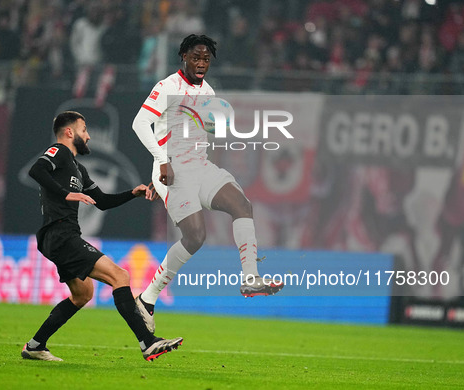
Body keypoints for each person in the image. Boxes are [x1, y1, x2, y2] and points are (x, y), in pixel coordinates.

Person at [131, 34, 284, 332]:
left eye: (206, 59)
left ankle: (250, 278)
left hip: (198, 167)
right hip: (171, 169)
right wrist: (161, 161)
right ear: (184, 57)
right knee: (196, 236)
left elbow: (203, 135)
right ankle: (147, 299)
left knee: (242, 205)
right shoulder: (167, 87)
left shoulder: (209, 92)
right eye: (196, 57)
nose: (201, 63)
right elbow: (139, 123)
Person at [21, 111, 182, 361]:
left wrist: (132, 193)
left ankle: (35, 345)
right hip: (60, 233)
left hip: (60, 235)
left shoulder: (79, 168)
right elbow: (36, 170)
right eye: (84, 129)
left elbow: (103, 202)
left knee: (83, 294)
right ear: (69, 132)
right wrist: (66, 194)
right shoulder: (59, 152)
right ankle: (147, 342)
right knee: (120, 276)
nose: (89, 135)